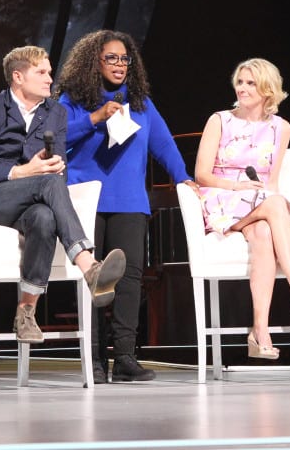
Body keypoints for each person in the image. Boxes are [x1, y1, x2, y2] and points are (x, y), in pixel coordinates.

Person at [54, 29, 199, 384]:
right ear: (94, 61)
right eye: (111, 58)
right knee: (93, 279)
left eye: (124, 59)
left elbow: (163, 144)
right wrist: (95, 118)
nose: (119, 65)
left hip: (130, 201)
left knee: (129, 279)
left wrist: (183, 177)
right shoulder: (72, 100)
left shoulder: (141, 103)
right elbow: (54, 135)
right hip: (85, 200)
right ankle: (95, 360)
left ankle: (125, 357)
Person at [0, 45, 127, 345]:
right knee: (47, 183)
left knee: (44, 217)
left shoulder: (55, 113)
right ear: (18, 77)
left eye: (50, 72)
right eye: (41, 72)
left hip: (31, 202)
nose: (50, 79)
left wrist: (52, 167)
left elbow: (58, 168)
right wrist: (24, 171)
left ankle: (25, 312)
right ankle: (89, 266)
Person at [193, 58, 290, 360]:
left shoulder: (281, 128)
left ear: (267, 89)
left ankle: (259, 331)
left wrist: (277, 212)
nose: (242, 88)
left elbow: (272, 179)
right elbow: (201, 174)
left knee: (264, 231)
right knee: (274, 203)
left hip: (257, 203)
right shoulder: (220, 120)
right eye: (240, 82)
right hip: (223, 196)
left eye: (250, 83)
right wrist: (238, 188)